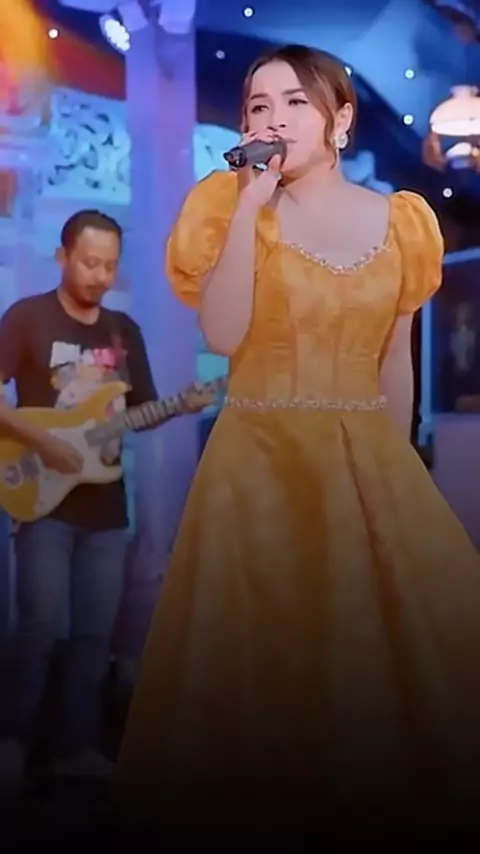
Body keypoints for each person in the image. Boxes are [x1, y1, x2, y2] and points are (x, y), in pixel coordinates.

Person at [115, 45, 480, 839]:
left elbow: (394, 362)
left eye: (295, 103)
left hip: (368, 461)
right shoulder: (229, 207)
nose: (274, 120)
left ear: (341, 119)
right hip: (259, 464)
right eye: (258, 106)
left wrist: (397, 470)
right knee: (262, 663)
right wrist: (251, 205)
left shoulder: (403, 223)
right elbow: (222, 333)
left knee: (379, 660)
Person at [0, 209, 201, 797]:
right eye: (89, 263)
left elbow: (141, 411)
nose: (100, 275)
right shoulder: (27, 317)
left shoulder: (122, 331)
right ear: (63, 257)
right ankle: (11, 743)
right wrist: (47, 444)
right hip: (42, 496)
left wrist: (182, 405)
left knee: (94, 633)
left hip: (106, 505)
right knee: (38, 626)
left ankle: (76, 748)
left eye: (110, 266)